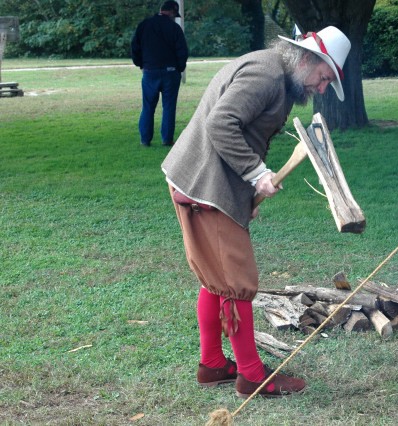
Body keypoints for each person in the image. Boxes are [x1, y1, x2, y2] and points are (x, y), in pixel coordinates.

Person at [161, 26, 351, 398]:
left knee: (214, 280)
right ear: (307, 59)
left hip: (208, 185)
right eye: (323, 77)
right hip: (206, 188)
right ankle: (252, 377)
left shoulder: (278, 76)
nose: (322, 88)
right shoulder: (266, 74)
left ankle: (213, 364)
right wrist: (256, 174)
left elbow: (243, 133)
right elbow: (221, 123)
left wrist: (245, 190)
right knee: (237, 282)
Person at [131, 0, 189, 147]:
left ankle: (145, 140)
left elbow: (135, 47)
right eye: (175, 15)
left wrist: (141, 64)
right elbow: (182, 51)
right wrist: (179, 69)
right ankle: (167, 139)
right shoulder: (174, 28)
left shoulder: (144, 25)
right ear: (172, 11)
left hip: (150, 72)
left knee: (148, 107)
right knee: (169, 107)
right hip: (170, 73)